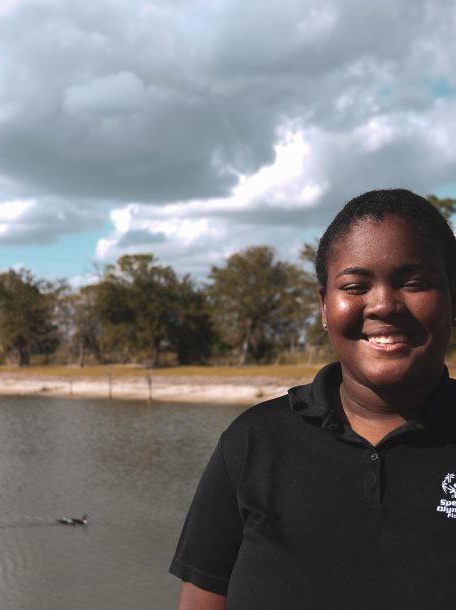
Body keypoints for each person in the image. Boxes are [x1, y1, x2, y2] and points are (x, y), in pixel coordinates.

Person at [169, 189, 456, 610]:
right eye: (356, 286)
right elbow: (202, 597)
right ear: (325, 306)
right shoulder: (253, 442)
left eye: (414, 283)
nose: (383, 305)